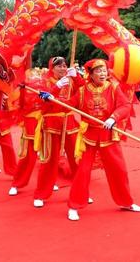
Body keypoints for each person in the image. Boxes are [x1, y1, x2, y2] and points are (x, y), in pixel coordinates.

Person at [44, 59, 140, 221]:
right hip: (88, 137)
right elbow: (67, 105)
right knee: (82, 172)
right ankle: (74, 206)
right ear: (90, 74)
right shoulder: (82, 91)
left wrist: (113, 118)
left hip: (109, 135)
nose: (103, 74)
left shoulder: (113, 88)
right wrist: (51, 96)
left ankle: (126, 202)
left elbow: (125, 106)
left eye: (104, 71)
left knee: (119, 170)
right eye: (99, 71)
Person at [31, 57, 84, 207]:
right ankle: (41, 194)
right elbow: (41, 104)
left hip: (69, 122)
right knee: (49, 160)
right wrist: (57, 87)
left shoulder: (71, 80)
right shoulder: (44, 82)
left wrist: (77, 77)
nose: (62, 68)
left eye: (64, 65)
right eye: (58, 66)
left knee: (76, 158)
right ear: (51, 68)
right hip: (51, 123)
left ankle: (81, 192)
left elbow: (84, 93)